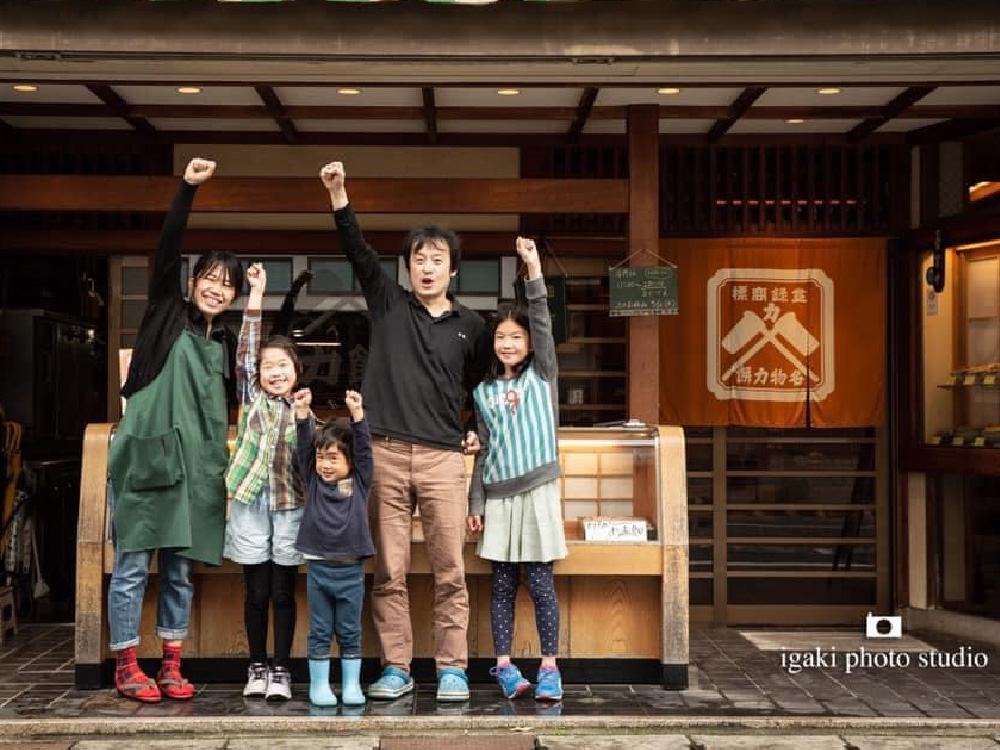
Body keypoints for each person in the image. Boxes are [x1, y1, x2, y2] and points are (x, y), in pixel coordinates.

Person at [320, 161, 489, 702]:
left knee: (449, 572)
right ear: (409, 267)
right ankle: (397, 667)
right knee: (389, 569)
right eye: (419, 259)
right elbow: (356, 250)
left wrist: (475, 429)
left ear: (453, 270)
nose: (427, 267)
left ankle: (453, 670)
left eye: (438, 260)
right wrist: (339, 193)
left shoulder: (473, 327)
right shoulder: (389, 304)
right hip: (385, 454)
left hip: (443, 459)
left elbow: (481, 388)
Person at [107, 158, 243, 703]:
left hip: (195, 466)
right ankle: (124, 662)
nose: (217, 289)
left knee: (181, 572)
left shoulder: (225, 340)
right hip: (148, 458)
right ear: (192, 282)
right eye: (211, 279)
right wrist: (187, 189)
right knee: (134, 565)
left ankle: (170, 663)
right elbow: (167, 249)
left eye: (226, 285)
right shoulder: (165, 312)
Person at [467, 237, 568, 702]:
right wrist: (476, 503)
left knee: (542, 583)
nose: (508, 343)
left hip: (539, 492)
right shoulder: (482, 392)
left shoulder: (542, 376)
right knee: (503, 585)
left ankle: (549, 666)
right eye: (501, 337)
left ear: (529, 345)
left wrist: (533, 270)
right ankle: (504, 665)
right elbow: (483, 451)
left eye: (517, 337)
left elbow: (544, 321)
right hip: (499, 496)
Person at [224, 263, 305, 701]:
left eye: (283, 365)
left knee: (283, 592)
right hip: (250, 502)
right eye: (268, 366)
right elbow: (248, 346)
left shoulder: (303, 410)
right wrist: (256, 293)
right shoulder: (250, 397)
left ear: (297, 370)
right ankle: (256, 665)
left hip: (291, 505)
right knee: (255, 591)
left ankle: (282, 670)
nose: (275, 372)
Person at [293, 387, 374, 707]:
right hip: (318, 568)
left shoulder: (359, 481)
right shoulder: (312, 481)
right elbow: (302, 450)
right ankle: (320, 686)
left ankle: (351, 686)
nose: (324, 465)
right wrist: (302, 416)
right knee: (321, 630)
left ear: (350, 462)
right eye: (320, 458)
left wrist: (358, 417)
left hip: (351, 569)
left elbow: (365, 451)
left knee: (350, 630)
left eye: (332, 458)